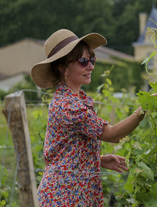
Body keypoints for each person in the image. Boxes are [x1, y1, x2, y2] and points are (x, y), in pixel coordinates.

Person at [31, 29, 146, 206]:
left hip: (73, 193)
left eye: (92, 60)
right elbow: (112, 134)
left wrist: (97, 160)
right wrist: (145, 108)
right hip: (63, 196)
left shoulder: (76, 100)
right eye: (83, 62)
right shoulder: (69, 106)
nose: (91, 66)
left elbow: (66, 153)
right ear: (63, 68)